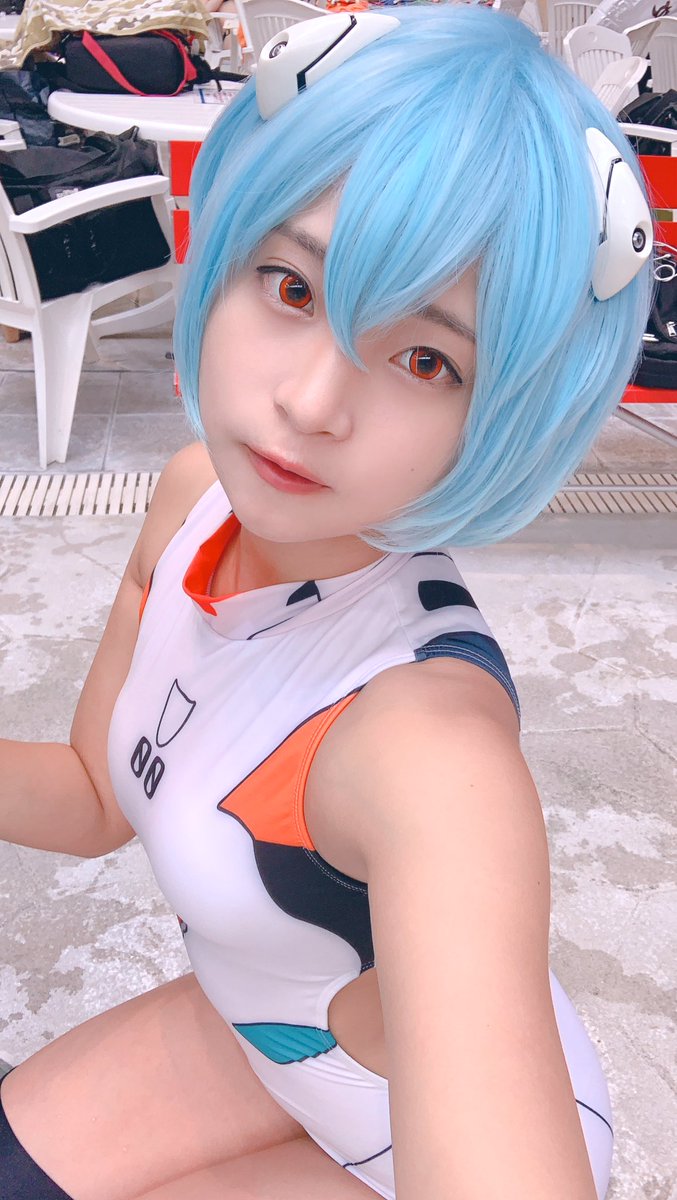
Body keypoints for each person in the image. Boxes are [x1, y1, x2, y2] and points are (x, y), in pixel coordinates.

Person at [0, 7, 653, 1199]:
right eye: (292, 286)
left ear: (500, 412)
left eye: (423, 359)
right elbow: (96, 795)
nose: (309, 402)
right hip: (273, 1036)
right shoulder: (193, 499)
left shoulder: (428, 751)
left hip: (392, 1142)